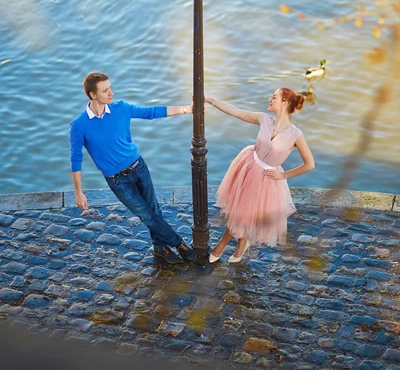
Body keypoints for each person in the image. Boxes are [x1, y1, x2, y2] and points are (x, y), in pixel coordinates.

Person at [69, 72, 197, 264]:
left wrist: (187, 109)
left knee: (154, 210)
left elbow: (151, 113)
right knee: (146, 215)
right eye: (105, 90)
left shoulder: (121, 108)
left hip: (139, 167)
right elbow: (76, 159)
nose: (111, 93)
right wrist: (78, 192)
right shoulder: (79, 125)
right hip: (117, 180)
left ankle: (160, 247)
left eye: (110, 88)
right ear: (92, 95)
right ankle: (179, 244)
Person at [205, 88, 315, 263]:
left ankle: (226, 245)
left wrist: (284, 175)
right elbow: (234, 111)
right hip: (248, 166)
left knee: (245, 214)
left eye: (274, 97)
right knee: (240, 212)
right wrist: (209, 99)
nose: (269, 99)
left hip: (267, 177)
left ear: (284, 103)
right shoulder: (263, 119)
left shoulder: (296, 135)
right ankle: (238, 244)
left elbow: (310, 164)